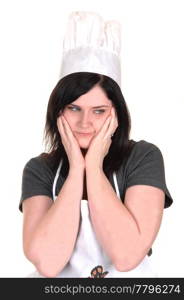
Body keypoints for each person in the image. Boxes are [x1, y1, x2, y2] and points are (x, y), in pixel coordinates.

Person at [19, 12, 173, 278]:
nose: (84, 122)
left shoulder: (143, 157)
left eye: (99, 111)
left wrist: (93, 164)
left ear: (116, 113)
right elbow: (48, 263)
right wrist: (77, 169)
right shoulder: (39, 169)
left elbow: (126, 255)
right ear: (58, 110)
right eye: (74, 107)